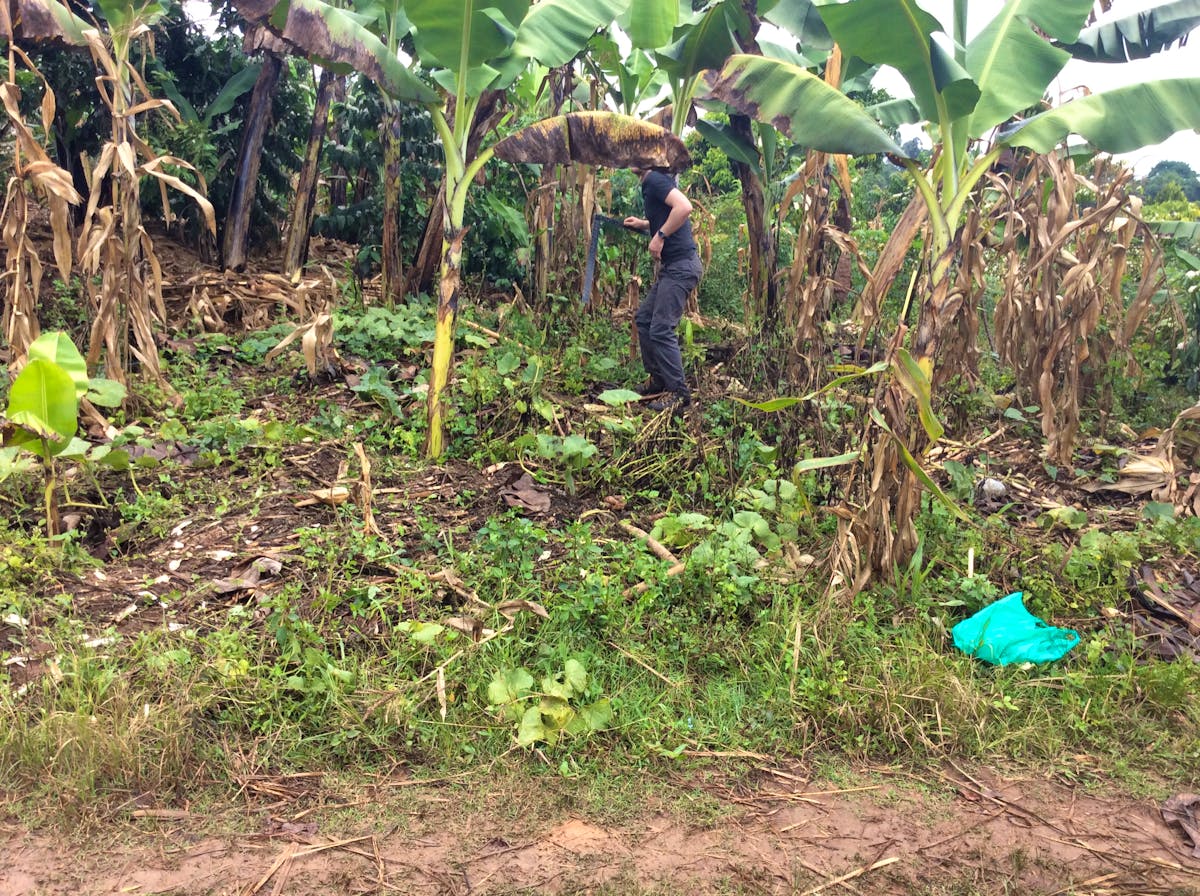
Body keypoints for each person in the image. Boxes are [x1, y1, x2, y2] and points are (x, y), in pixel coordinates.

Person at [624, 166, 703, 413]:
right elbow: (669, 215)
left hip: (681, 266)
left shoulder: (654, 179)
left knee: (660, 328)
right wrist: (645, 224)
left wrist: (659, 236)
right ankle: (658, 381)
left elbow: (684, 208)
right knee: (645, 320)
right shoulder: (652, 182)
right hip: (674, 266)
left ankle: (679, 395)